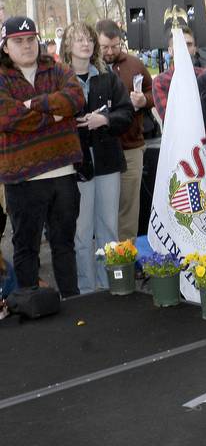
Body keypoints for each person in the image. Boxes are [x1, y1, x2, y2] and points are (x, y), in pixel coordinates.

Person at [0, 16, 85, 298]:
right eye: (18, 41)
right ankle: (30, 308)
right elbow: (7, 116)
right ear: (5, 46)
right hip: (23, 180)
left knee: (64, 245)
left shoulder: (58, 69)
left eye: (30, 39)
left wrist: (33, 106)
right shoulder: (1, 77)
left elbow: (75, 99)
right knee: (27, 248)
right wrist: (56, 116)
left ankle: (73, 304)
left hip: (63, 174)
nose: (26, 46)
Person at [61, 22, 133, 294]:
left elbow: (126, 113)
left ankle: (110, 284)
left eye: (89, 39)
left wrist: (105, 119)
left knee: (109, 229)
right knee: (82, 232)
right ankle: (87, 289)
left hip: (107, 162)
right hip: (75, 165)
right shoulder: (60, 80)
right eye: (78, 40)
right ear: (68, 45)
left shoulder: (107, 77)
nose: (85, 44)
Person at [152, 21, 206, 253]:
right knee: (195, 232)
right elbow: (175, 121)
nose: (185, 50)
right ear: (169, 51)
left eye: (189, 45)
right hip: (188, 170)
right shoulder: (163, 82)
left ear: (195, 48)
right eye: (179, 45)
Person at [97, 19, 154, 241]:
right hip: (101, 149)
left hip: (131, 146)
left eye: (115, 46)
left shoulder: (135, 64)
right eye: (105, 47)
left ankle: (126, 258)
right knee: (104, 208)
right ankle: (106, 258)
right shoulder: (90, 68)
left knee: (129, 207)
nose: (110, 52)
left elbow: (153, 92)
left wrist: (144, 100)